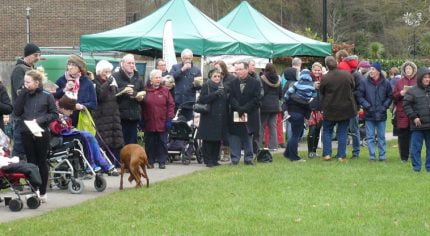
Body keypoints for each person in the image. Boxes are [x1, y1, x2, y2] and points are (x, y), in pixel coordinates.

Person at [14, 70, 58, 203]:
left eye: (28, 82)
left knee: (41, 161)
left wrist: (39, 120)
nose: (25, 84)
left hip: (41, 132)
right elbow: (16, 111)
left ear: (36, 82)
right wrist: (22, 94)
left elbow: (54, 114)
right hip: (26, 132)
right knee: (31, 162)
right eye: (25, 81)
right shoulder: (24, 94)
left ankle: (43, 191)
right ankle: (34, 190)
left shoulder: (47, 96)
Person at [50, 95, 116, 174]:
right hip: (59, 137)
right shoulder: (54, 112)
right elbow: (54, 128)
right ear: (63, 109)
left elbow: (68, 124)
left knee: (89, 135)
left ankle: (101, 162)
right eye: (70, 111)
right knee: (85, 136)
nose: (71, 113)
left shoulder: (62, 111)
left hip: (67, 133)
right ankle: (91, 163)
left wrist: (69, 127)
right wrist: (64, 126)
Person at [320, 56, 356, 162]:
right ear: (336, 63)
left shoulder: (325, 77)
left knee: (327, 131)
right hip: (345, 108)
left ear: (326, 65)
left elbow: (321, 91)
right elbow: (353, 86)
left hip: (330, 108)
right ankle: (341, 155)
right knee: (342, 132)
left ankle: (327, 154)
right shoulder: (347, 75)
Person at [10, 43, 41, 160]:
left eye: (38, 55)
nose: (38, 58)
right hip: (20, 115)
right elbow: (19, 91)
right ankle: (13, 175)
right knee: (19, 149)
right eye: (35, 55)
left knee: (28, 148)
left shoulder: (33, 69)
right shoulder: (19, 69)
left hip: (32, 115)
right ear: (28, 55)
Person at [357, 62, 392, 161]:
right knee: (370, 137)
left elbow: (390, 96)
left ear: (378, 71)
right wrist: (367, 106)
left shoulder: (386, 83)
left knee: (381, 137)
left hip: (381, 114)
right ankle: (372, 156)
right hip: (369, 114)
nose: (371, 71)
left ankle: (382, 155)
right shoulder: (364, 82)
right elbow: (359, 96)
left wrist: (384, 106)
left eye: (373, 69)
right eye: (370, 69)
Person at [228, 61, 261, 165]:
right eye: (237, 70)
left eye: (240, 69)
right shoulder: (233, 83)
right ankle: (235, 158)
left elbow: (256, 99)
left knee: (248, 135)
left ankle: (248, 158)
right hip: (236, 113)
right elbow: (231, 97)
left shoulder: (255, 82)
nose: (238, 72)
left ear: (246, 69)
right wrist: (238, 108)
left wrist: (244, 108)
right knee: (235, 136)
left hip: (250, 113)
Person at [92, 60, 125, 166]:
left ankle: (115, 162)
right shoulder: (95, 81)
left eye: (109, 71)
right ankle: (103, 164)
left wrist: (123, 92)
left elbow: (116, 96)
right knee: (103, 142)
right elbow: (99, 96)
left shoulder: (112, 82)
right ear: (99, 71)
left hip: (113, 116)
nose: (107, 74)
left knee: (115, 141)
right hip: (102, 116)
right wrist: (108, 83)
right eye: (105, 72)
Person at [141, 69, 175, 169]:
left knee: (162, 142)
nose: (158, 79)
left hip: (162, 121)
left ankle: (162, 161)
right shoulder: (145, 90)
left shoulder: (165, 91)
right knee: (149, 142)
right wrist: (141, 119)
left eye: (159, 77)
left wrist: (169, 118)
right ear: (151, 79)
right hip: (149, 121)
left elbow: (171, 105)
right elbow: (141, 106)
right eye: (156, 77)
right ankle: (150, 161)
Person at [54, 55, 97, 126]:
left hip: (81, 121)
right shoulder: (61, 80)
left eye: (73, 65)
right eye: (69, 64)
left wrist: (81, 106)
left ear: (80, 68)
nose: (70, 67)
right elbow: (53, 96)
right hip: (63, 121)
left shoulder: (87, 82)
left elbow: (93, 104)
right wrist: (65, 89)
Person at [197, 69, 228, 167]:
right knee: (208, 139)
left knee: (217, 139)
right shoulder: (207, 85)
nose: (217, 78)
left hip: (220, 117)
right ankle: (208, 160)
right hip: (209, 116)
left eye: (219, 76)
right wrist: (214, 94)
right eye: (215, 76)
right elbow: (202, 99)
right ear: (211, 76)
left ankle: (215, 159)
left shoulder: (222, 86)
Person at [112, 54, 145, 145]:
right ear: (122, 64)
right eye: (129, 63)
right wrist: (123, 90)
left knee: (132, 144)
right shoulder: (115, 77)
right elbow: (111, 94)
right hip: (119, 117)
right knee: (119, 143)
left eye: (133, 63)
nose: (132, 65)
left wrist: (137, 96)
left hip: (134, 117)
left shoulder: (138, 78)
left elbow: (143, 93)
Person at [283, 69, 315, 162]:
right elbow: (310, 101)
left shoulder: (295, 86)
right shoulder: (310, 89)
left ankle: (288, 153)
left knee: (294, 134)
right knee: (296, 135)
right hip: (299, 114)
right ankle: (294, 157)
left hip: (291, 112)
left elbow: (286, 97)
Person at [403, 67, 430, 172]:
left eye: (429, 77)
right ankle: (416, 168)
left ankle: (429, 167)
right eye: (425, 77)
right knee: (415, 149)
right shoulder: (412, 91)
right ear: (420, 78)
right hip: (418, 125)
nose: (427, 79)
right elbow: (406, 105)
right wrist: (414, 117)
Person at [393, 61, 417, 162]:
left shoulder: (417, 82)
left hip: (414, 112)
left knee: (414, 136)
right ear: (404, 70)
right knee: (403, 137)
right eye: (406, 69)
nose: (408, 70)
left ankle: (413, 155)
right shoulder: (399, 82)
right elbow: (394, 96)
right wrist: (400, 93)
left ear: (413, 70)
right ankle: (404, 157)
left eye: (410, 69)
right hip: (402, 113)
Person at [170, 49, 202, 121]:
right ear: (182, 58)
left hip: (189, 102)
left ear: (192, 58)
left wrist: (196, 85)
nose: (187, 60)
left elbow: (200, 87)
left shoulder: (196, 70)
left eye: (189, 58)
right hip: (177, 101)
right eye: (185, 58)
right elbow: (171, 78)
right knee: (174, 122)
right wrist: (182, 69)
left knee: (187, 123)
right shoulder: (175, 67)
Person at [259, 63, 282, 151]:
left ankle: (259, 145)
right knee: (273, 126)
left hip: (265, 106)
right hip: (275, 105)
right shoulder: (278, 79)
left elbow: (261, 92)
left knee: (262, 126)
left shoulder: (262, 79)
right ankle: (273, 146)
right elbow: (280, 94)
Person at [307, 62, 324, 158]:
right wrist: (313, 86)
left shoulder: (324, 79)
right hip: (311, 108)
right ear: (312, 70)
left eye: (319, 70)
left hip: (320, 109)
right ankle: (310, 152)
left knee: (318, 130)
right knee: (312, 130)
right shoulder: (308, 79)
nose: (317, 72)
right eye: (315, 70)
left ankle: (314, 150)